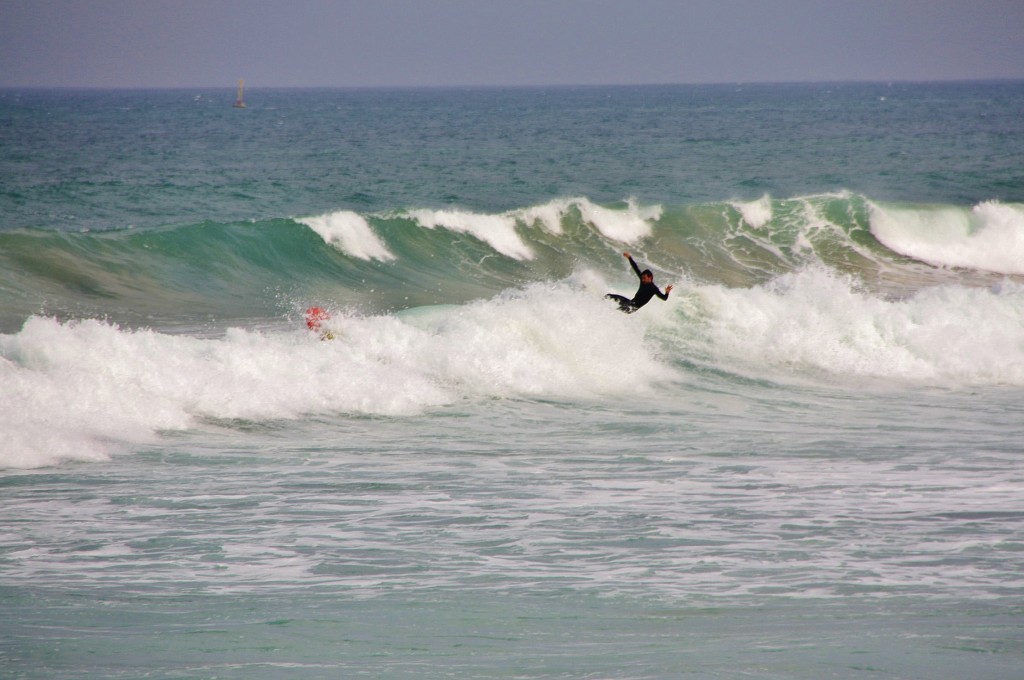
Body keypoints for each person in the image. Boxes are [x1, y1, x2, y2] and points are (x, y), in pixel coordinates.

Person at [605, 252, 673, 313]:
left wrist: (667, 292)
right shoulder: (643, 281)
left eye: (644, 278)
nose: (642, 280)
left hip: (631, 308)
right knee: (609, 296)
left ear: (650, 278)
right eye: (642, 278)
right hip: (630, 302)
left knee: (615, 310)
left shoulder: (653, 288)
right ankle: (599, 304)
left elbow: (664, 298)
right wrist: (629, 257)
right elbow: (636, 268)